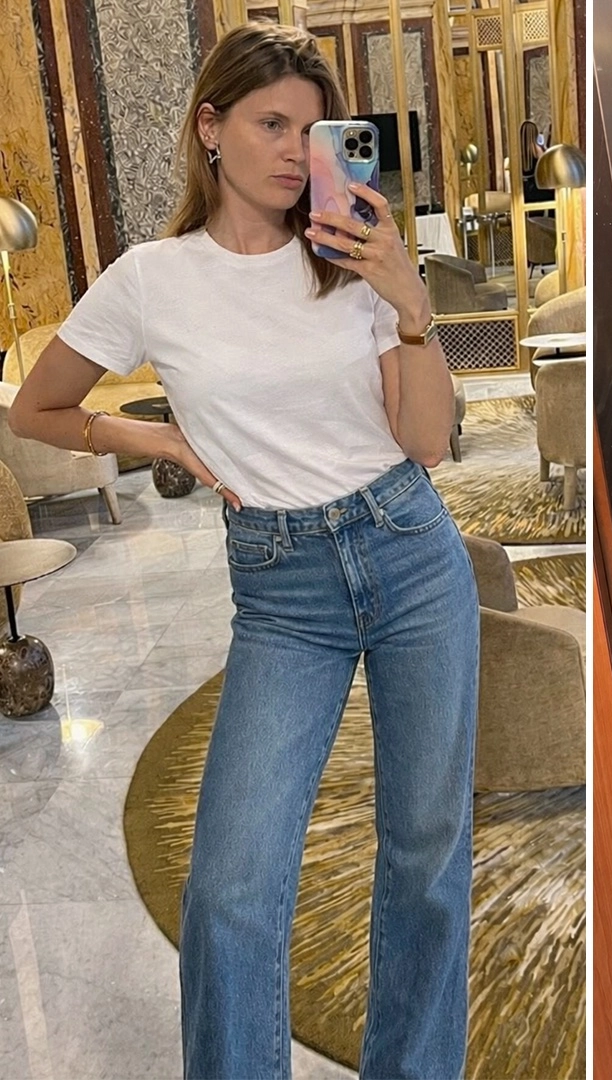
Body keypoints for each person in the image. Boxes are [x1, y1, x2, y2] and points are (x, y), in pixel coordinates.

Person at [10, 23, 477, 1079]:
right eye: (273, 125)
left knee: (424, 859)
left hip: (408, 551)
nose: (297, 153)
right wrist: (159, 438)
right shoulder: (151, 279)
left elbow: (424, 442)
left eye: (315, 131)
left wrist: (409, 303)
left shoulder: (352, 259)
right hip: (281, 587)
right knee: (228, 890)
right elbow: (38, 409)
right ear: (209, 127)